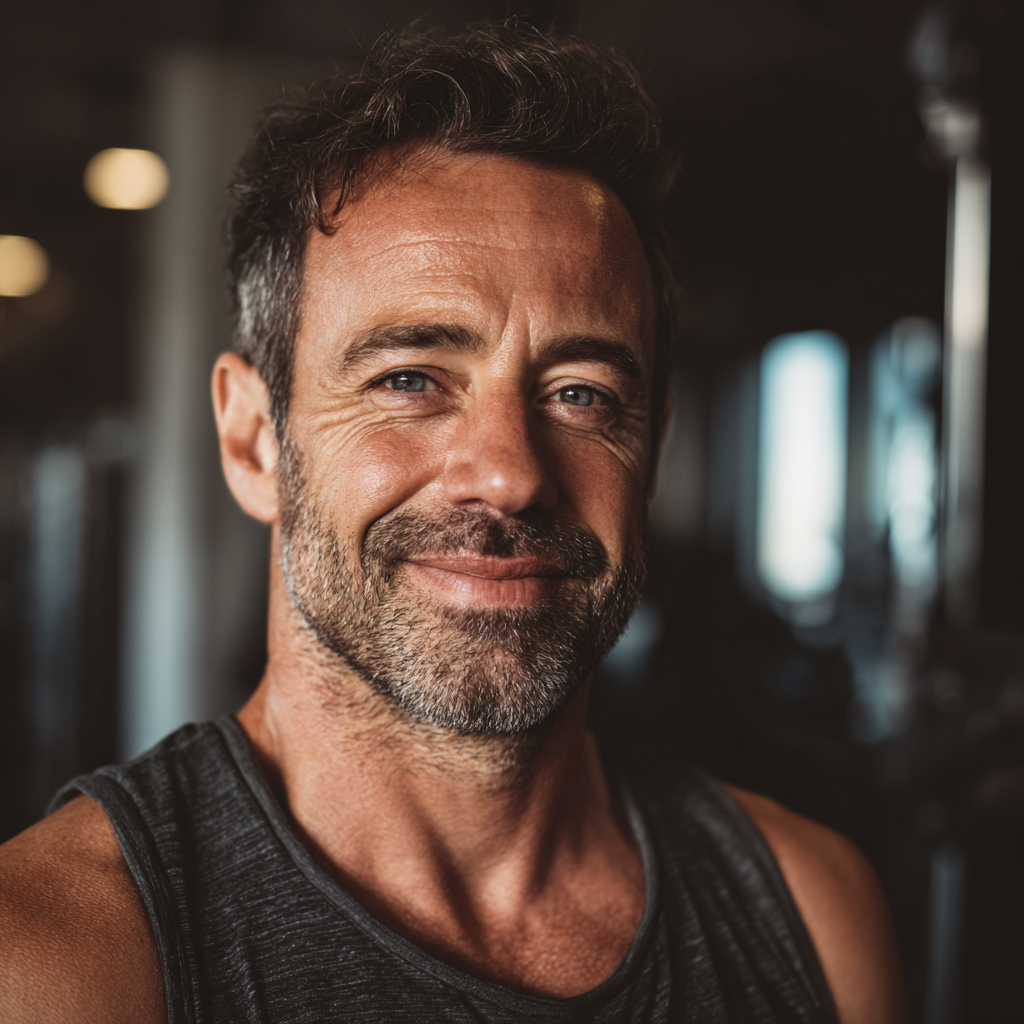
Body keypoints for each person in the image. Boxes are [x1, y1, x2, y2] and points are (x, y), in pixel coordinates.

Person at [0, 23, 904, 1024]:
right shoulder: (54, 959)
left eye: (581, 394)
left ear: (652, 449)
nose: (511, 475)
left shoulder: (815, 914)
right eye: (409, 380)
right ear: (254, 441)